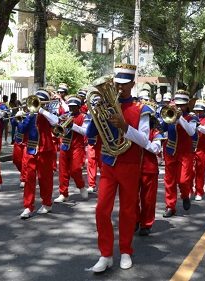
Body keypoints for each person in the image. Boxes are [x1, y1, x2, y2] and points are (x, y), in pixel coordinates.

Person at [87, 63, 151, 272]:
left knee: (127, 210)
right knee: (101, 210)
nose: (120, 87)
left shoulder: (141, 109)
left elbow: (145, 141)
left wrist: (125, 127)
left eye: (124, 84)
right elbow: (90, 135)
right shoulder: (105, 104)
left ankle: (125, 250)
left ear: (133, 84)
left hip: (130, 164)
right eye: (117, 83)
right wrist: (95, 111)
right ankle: (105, 254)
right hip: (108, 164)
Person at [17, 89, 58, 219]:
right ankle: (28, 206)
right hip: (30, 149)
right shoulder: (30, 114)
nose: (37, 104)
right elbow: (22, 129)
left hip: (45, 150)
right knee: (29, 179)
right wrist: (28, 116)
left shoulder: (48, 113)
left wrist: (41, 110)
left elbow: (55, 121)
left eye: (40, 102)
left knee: (45, 179)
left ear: (45, 103)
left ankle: (47, 203)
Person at [160, 90, 198, 218]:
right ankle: (170, 206)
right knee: (169, 180)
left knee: (183, 180)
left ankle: (185, 195)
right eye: (177, 105)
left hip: (185, 153)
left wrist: (180, 117)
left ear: (187, 105)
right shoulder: (170, 114)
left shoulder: (192, 118)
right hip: (170, 151)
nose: (179, 107)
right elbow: (162, 129)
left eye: (182, 105)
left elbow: (192, 132)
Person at [54, 95, 89, 203]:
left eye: (73, 106)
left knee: (75, 170)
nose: (71, 108)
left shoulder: (84, 117)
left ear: (78, 106)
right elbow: (57, 130)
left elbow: (85, 132)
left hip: (77, 147)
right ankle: (63, 193)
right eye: (70, 106)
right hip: (64, 145)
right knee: (63, 171)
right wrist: (60, 123)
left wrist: (72, 125)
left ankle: (81, 186)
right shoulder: (65, 115)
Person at [137, 100, 163, 236]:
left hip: (149, 168)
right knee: (131, 197)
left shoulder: (156, 131)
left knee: (148, 199)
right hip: (133, 167)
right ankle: (135, 219)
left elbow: (155, 148)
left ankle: (146, 224)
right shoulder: (134, 127)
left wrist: (140, 139)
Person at [192, 100, 205, 201]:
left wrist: (197, 125)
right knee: (189, 171)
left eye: (200, 111)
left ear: (204, 111)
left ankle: (199, 191)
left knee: (200, 172)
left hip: (202, 150)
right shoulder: (191, 118)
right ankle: (188, 190)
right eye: (196, 111)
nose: (198, 113)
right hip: (190, 149)